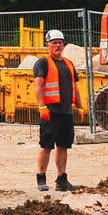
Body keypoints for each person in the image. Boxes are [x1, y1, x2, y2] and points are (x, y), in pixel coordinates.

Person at [34, 30, 79, 192]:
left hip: (66, 112)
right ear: (48, 45)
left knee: (63, 146)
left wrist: (79, 106)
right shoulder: (43, 63)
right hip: (50, 112)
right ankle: (41, 179)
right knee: (46, 145)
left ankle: (62, 180)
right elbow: (37, 86)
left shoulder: (68, 63)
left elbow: (75, 87)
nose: (58, 45)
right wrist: (42, 107)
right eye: (54, 42)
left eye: (60, 42)